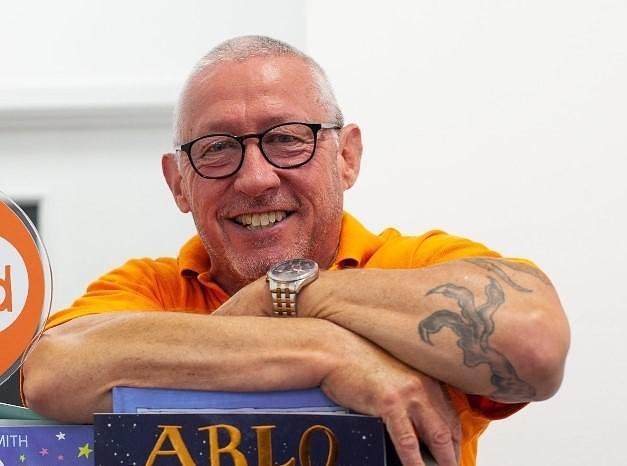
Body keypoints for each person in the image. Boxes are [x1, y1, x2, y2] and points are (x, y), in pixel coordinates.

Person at [21, 35, 569, 466]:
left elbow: (535, 343)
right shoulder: (151, 289)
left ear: (347, 156)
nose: (256, 178)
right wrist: (330, 353)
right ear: (178, 183)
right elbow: (50, 372)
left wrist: (291, 295)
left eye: (287, 138)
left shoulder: (413, 266)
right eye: (216, 149)